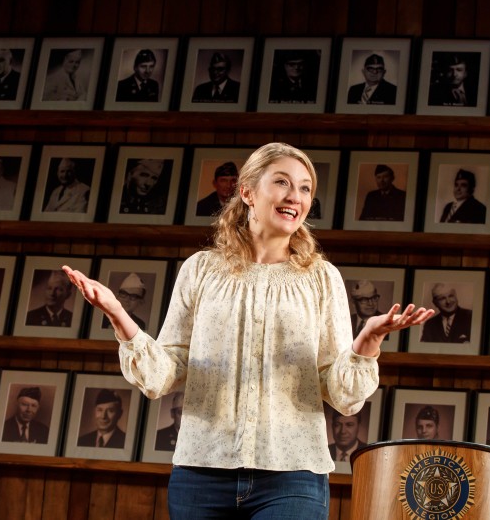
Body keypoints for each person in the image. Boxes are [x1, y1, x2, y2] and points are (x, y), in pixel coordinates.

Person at [62, 142, 432, 518]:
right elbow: (166, 372)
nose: (295, 196)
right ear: (247, 192)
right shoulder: (200, 270)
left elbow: (340, 393)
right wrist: (118, 314)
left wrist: (368, 340)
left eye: (305, 188)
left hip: (293, 476)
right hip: (201, 472)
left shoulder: (322, 278)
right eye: (283, 182)